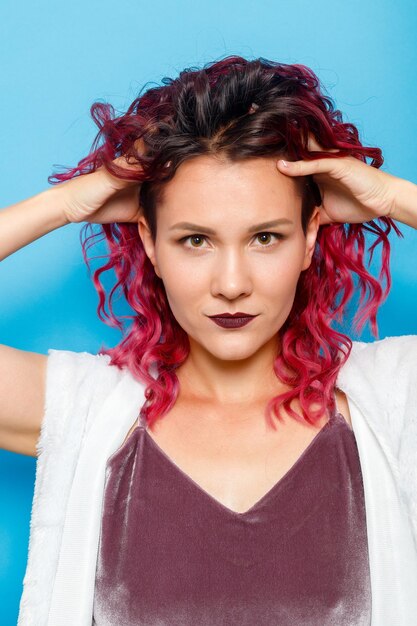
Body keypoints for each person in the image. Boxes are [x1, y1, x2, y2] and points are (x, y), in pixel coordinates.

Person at [1, 55, 416, 625]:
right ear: (149, 244)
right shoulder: (87, 414)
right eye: (195, 240)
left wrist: (392, 197)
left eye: (265, 237)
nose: (231, 285)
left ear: (310, 238)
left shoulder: (393, 404)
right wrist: (68, 204)